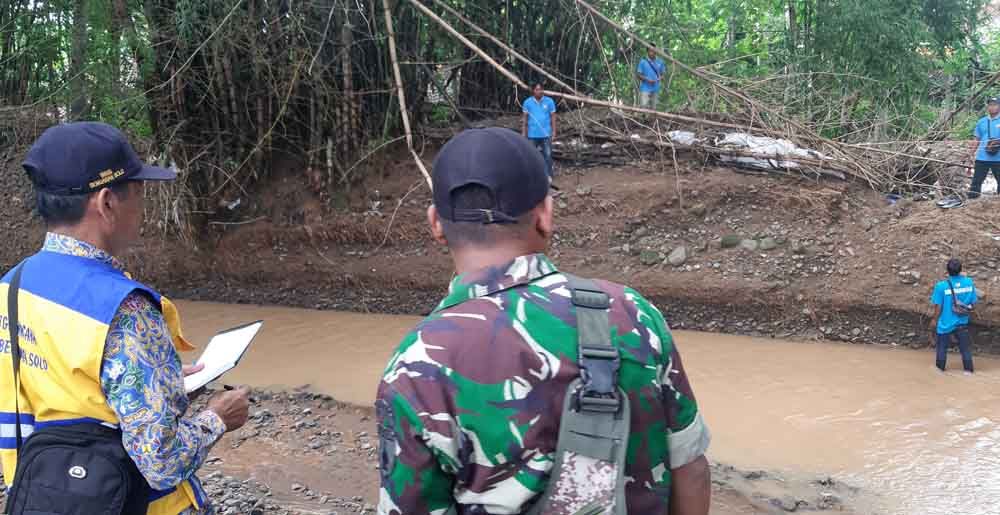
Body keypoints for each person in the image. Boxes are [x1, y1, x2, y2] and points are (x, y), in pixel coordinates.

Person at [376, 127, 711, 515]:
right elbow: (691, 469)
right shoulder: (631, 313)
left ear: (435, 223)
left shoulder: (415, 366)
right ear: (545, 215)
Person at [0, 122, 251, 514]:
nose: (143, 208)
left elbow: (63, 393)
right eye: (139, 193)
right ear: (106, 203)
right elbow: (162, 463)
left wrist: (158, 381)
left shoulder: (11, 287)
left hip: (40, 496)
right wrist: (217, 418)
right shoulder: (124, 309)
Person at [931, 258, 977, 374]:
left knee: (942, 348)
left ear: (947, 270)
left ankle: (939, 371)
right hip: (962, 321)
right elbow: (973, 303)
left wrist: (934, 320)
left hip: (945, 323)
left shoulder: (941, 286)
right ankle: (968, 372)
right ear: (961, 270)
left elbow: (938, 307)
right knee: (965, 349)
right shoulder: (969, 282)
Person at [521, 83, 557, 180]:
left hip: (546, 134)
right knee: (531, 156)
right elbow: (525, 119)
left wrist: (554, 132)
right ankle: (532, 175)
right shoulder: (527, 102)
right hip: (532, 134)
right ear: (533, 91)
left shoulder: (549, 101)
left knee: (548, 155)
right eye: (537, 89)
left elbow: (553, 117)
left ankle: (548, 175)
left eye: (541, 89)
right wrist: (524, 133)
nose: (539, 91)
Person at [968, 96, 1000, 199]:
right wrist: (970, 154)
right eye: (990, 105)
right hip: (982, 158)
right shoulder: (981, 121)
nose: (992, 107)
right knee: (976, 182)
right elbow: (976, 139)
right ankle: (972, 202)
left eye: (995, 105)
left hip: (998, 159)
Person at [636, 46, 667, 111]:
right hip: (645, 88)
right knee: (644, 107)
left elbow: (663, 74)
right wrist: (647, 80)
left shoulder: (660, 62)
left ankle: (653, 120)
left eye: (654, 50)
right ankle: (644, 120)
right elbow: (638, 74)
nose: (653, 52)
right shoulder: (643, 61)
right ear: (647, 52)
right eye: (651, 51)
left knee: (654, 108)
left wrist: (658, 79)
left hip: (656, 88)